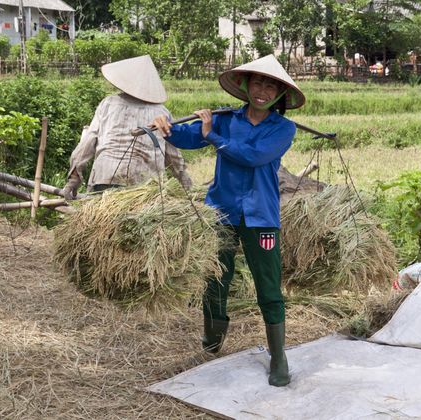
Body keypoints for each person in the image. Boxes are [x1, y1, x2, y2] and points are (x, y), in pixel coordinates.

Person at [151, 54, 305, 387]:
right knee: (215, 277)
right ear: (246, 86)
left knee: (268, 285)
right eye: (258, 83)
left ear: (280, 95)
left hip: (261, 217)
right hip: (221, 211)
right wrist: (168, 130)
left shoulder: (282, 128)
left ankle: (278, 357)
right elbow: (190, 136)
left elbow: (254, 157)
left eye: (270, 86)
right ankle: (212, 342)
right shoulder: (224, 118)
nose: (262, 91)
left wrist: (213, 137)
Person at [63, 55, 191, 199]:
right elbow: (173, 154)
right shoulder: (162, 113)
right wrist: (186, 183)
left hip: (107, 176)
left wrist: (74, 176)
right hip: (146, 185)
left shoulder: (109, 104)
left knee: (100, 220)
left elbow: (87, 142)